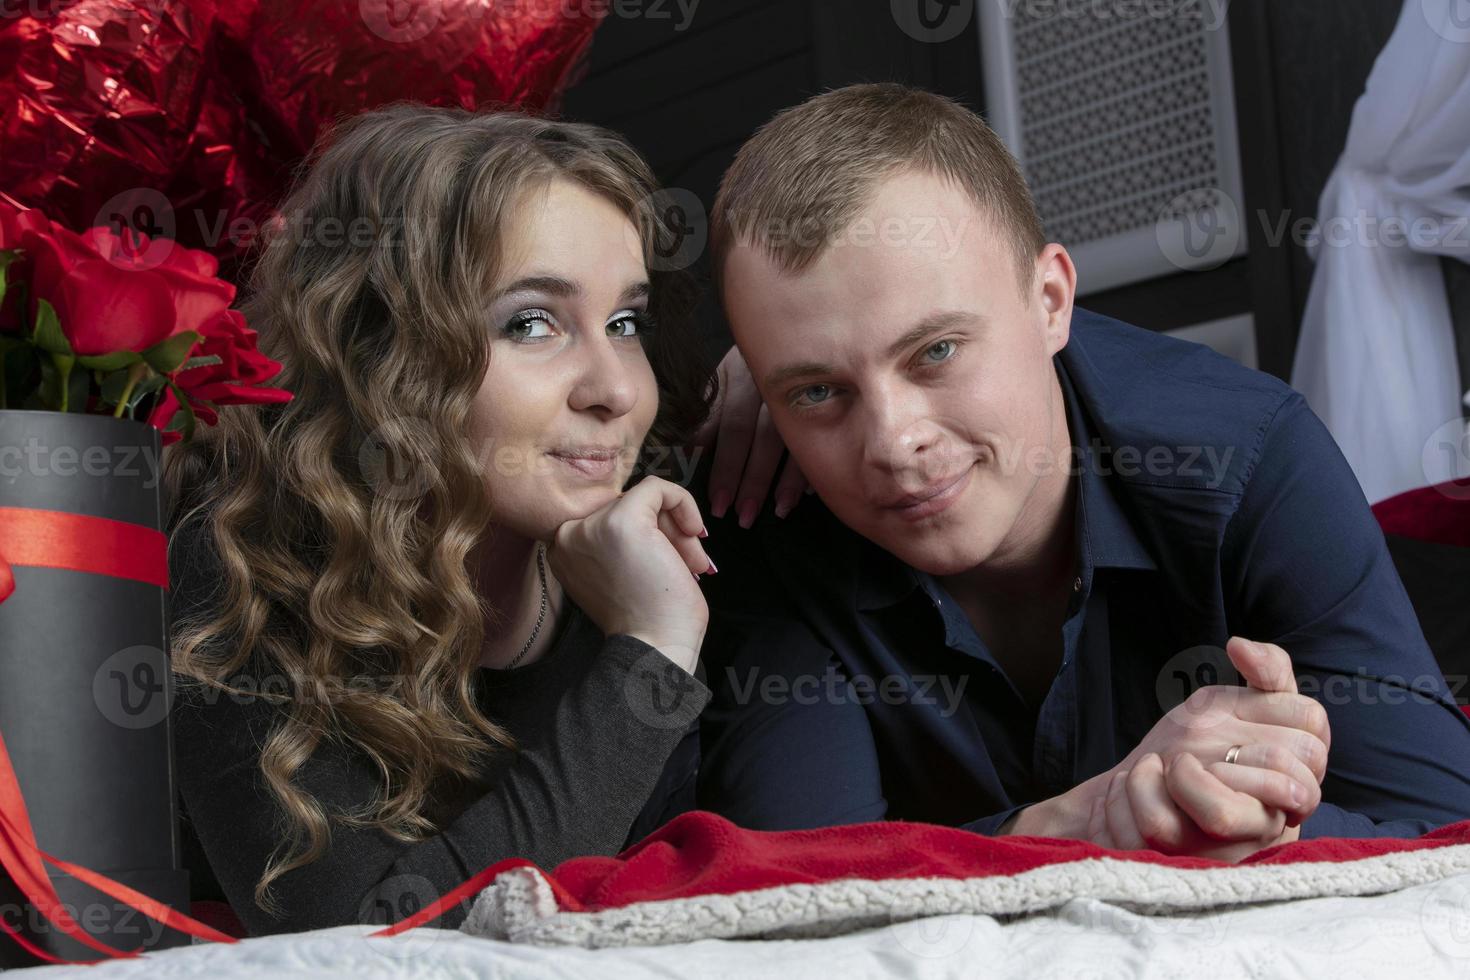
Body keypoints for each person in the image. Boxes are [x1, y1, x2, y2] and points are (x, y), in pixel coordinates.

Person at [693, 82, 1470, 858]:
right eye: (818, 390)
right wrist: (1089, 821)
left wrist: (1259, 820)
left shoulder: (1252, 455)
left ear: (1052, 300)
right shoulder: (762, 500)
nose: (894, 442)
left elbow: (1443, 834)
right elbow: (799, 873)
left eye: (935, 352)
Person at [164, 104, 719, 935]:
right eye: (532, 323)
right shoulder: (244, 563)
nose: (616, 390)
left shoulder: (676, 538)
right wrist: (650, 652)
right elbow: (369, 946)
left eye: (623, 322)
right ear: (382, 351)